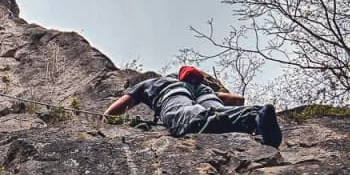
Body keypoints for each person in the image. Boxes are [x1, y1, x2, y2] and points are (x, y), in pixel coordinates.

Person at [103, 66, 283, 147]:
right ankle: (254, 117)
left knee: (186, 112)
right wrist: (213, 93)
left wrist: (107, 118)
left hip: (175, 100)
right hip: (210, 98)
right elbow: (238, 100)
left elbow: (117, 108)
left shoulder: (155, 82)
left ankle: (206, 121)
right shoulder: (203, 88)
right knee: (220, 108)